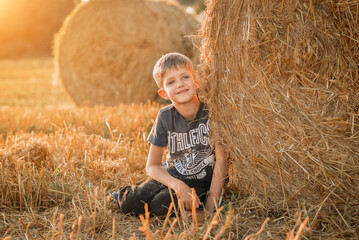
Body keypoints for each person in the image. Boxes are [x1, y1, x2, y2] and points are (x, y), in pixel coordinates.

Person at [112, 52, 228, 216]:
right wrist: (178, 185)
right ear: (164, 93)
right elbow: (152, 166)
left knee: (162, 205)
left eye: (185, 77)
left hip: (201, 182)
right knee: (131, 203)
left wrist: (209, 210)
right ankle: (121, 194)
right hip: (171, 175)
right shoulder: (165, 116)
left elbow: (222, 163)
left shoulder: (213, 112)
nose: (180, 84)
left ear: (196, 82)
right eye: (171, 81)